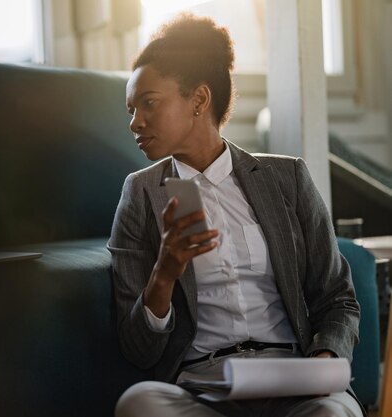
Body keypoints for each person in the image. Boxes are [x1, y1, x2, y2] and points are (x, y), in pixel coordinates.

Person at [108, 12, 363, 417]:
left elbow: (336, 298)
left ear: (199, 99)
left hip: (294, 382)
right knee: (138, 404)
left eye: (148, 104)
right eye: (131, 109)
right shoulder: (140, 194)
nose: (135, 122)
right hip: (203, 390)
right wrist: (165, 273)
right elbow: (138, 350)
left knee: (332, 413)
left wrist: (325, 360)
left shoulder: (287, 178)